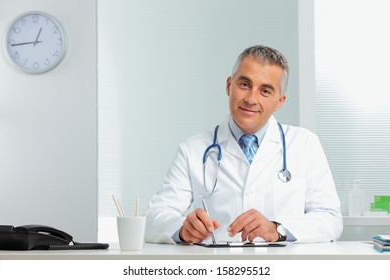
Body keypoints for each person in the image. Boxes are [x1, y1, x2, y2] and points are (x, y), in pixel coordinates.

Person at [145, 45, 343, 244]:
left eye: (265, 91)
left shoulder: (304, 144)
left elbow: (330, 219)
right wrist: (181, 230)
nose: (251, 99)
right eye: (244, 84)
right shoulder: (193, 150)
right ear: (229, 85)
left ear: (279, 101)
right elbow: (154, 218)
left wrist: (278, 230)